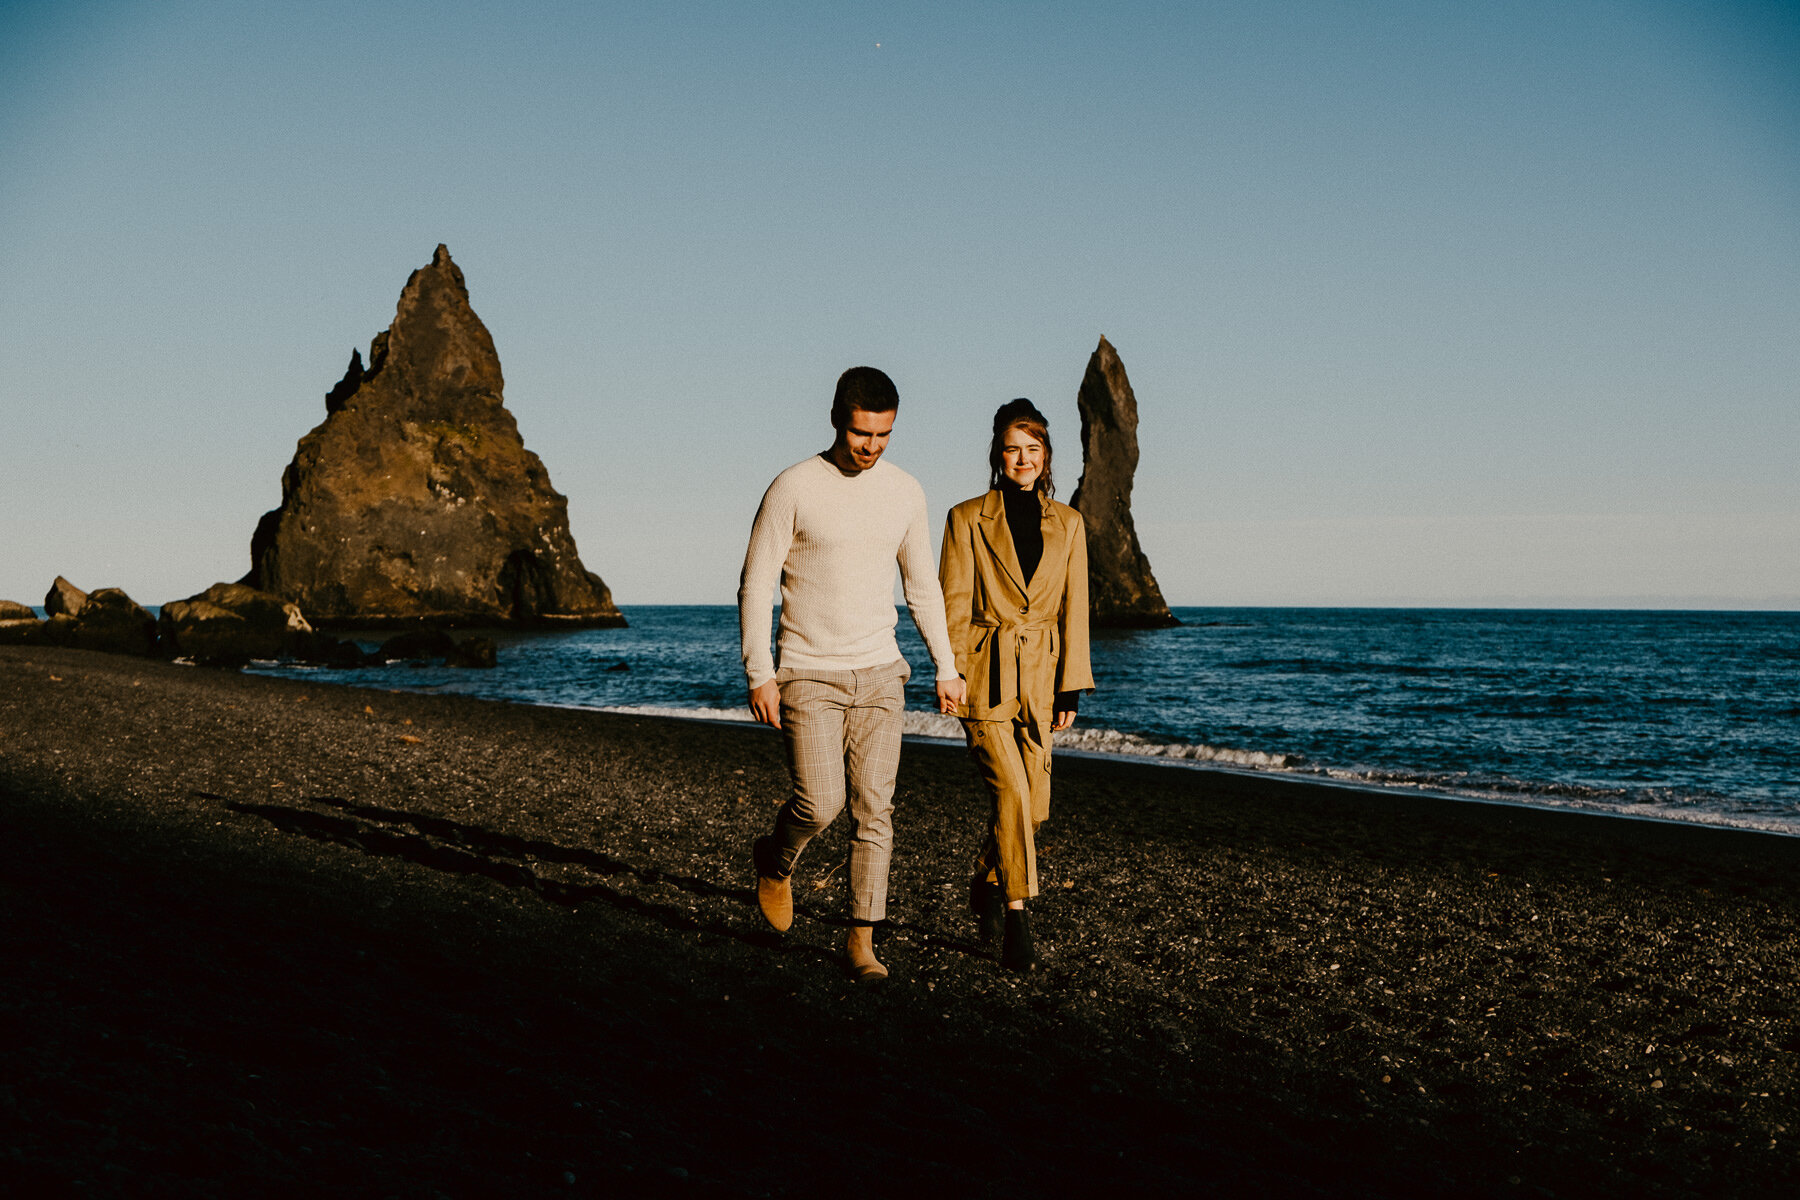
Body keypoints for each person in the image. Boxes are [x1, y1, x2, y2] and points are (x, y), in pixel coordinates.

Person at [740, 366, 967, 983]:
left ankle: (861, 941)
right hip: (808, 672)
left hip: (880, 674)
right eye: (862, 433)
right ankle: (777, 859)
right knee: (820, 803)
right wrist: (760, 671)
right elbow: (757, 582)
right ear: (838, 420)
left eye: (884, 435)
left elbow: (922, 587)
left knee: (875, 811)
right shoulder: (793, 486)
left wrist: (946, 668)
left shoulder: (905, 492)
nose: (871, 447)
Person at [938, 398, 1093, 971]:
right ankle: (1017, 915)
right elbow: (952, 602)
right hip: (982, 674)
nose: (1022, 458)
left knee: (1036, 809)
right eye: (1012, 448)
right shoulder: (965, 518)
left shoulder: (1070, 524)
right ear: (997, 454)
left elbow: (1075, 608)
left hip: (1042, 680)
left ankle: (984, 879)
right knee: (1010, 793)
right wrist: (947, 671)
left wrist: (1071, 687)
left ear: (1046, 455)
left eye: (1033, 449)